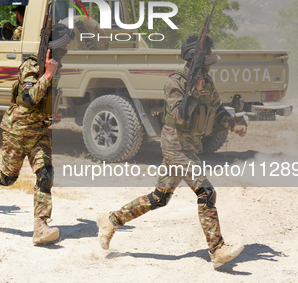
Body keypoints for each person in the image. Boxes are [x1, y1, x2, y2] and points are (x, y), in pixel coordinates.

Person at [96, 34, 247, 269]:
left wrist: (233, 124)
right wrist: (193, 91)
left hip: (189, 144)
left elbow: (217, 108)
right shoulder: (177, 82)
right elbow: (178, 116)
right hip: (175, 143)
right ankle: (217, 250)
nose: (211, 57)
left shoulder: (205, 80)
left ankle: (111, 220)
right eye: (207, 53)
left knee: (160, 198)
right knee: (206, 192)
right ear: (196, 57)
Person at [0, 23, 75, 245]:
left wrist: (52, 114)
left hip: (39, 131)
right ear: (55, 44)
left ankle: (41, 225)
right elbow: (29, 98)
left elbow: (43, 101)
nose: (68, 47)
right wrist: (47, 74)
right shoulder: (31, 66)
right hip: (17, 131)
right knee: (7, 178)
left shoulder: (54, 65)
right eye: (65, 43)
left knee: (45, 175)